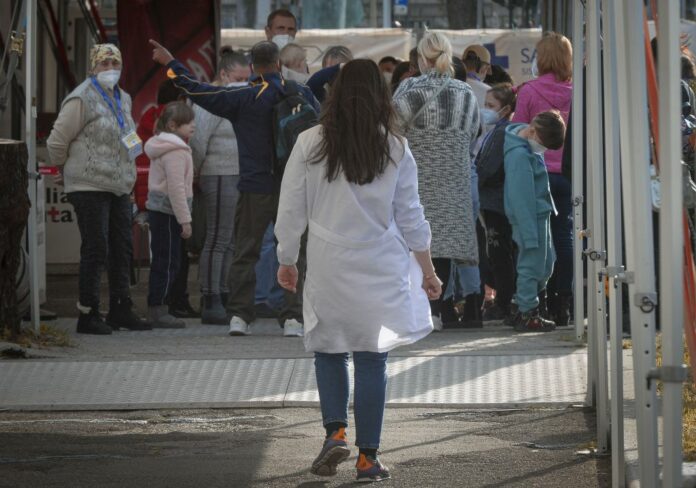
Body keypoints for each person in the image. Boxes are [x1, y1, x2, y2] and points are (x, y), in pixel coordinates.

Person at [275, 58, 440, 483]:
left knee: (329, 349)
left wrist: (286, 258)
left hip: (329, 262)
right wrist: (428, 271)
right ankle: (368, 459)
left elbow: (291, 207)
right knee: (372, 358)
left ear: (335, 93)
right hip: (381, 263)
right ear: (381, 95)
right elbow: (411, 216)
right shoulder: (395, 147)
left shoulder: (310, 142)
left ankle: (335, 433)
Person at [150, 38, 320, 337]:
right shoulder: (300, 92)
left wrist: (171, 64)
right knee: (294, 252)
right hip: (293, 187)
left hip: (254, 186)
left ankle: (240, 316)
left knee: (245, 252)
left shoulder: (243, 97)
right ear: (278, 64)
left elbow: (197, 90)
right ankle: (293, 317)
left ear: (253, 67)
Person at [47, 43, 151, 335]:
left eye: (115, 64)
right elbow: (56, 141)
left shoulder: (123, 97)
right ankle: (88, 312)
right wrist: (63, 169)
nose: (110, 69)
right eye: (104, 64)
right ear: (92, 68)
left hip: (118, 184)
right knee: (96, 247)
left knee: (122, 247)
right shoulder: (81, 98)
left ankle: (120, 307)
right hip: (89, 183)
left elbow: (128, 137)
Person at [393, 32, 480, 331]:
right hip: (454, 179)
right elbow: (474, 133)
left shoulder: (409, 88)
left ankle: (421, 310)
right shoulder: (466, 92)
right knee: (441, 244)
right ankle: (439, 309)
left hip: (416, 176)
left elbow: (391, 131)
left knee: (415, 238)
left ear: (421, 58)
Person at [512, 32, 573, 326]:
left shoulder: (529, 91)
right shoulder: (578, 92)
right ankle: (565, 303)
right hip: (569, 173)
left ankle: (538, 302)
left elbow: (516, 132)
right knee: (564, 237)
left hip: (537, 173)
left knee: (536, 240)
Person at [190, 47, 250, 325]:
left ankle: (223, 293)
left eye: (247, 79)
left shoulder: (235, 99)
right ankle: (210, 296)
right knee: (217, 237)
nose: (243, 84)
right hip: (217, 172)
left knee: (230, 240)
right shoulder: (210, 100)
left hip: (236, 172)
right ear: (224, 75)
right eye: (238, 79)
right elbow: (198, 141)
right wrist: (197, 171)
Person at [504, 111, 566, 332]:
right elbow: (521, 198)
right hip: (530, 219)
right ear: (532, 132)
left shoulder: (526, 148)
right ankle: (527, 311)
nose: (544, 150)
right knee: (532, 265)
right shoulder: (520, 156)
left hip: (537, 215)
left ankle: (521, 304)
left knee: (545, 263)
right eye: (544, 145)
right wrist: (529, 233)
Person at [144, 102, 196, 328]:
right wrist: (185, 220)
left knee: (165, 259)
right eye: (188, 122)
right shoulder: (175, 151)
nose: (193, 125)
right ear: (173, 125)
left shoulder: (164, 146)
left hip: (162, 211)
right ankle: (158, 308)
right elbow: (176, 188)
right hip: (168, 212)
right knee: (167, 262)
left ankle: (160, 306)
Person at [476, 84, 517, 322]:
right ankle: (505, 299)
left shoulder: (501, 132)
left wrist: (474, 180)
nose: (486, 109)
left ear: (506, 109)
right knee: (501, 253)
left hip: (495, 202)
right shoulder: (498, 130)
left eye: (490, 105)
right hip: (496, 201)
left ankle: (503, 301)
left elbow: (487, 166)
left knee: (499, 254)